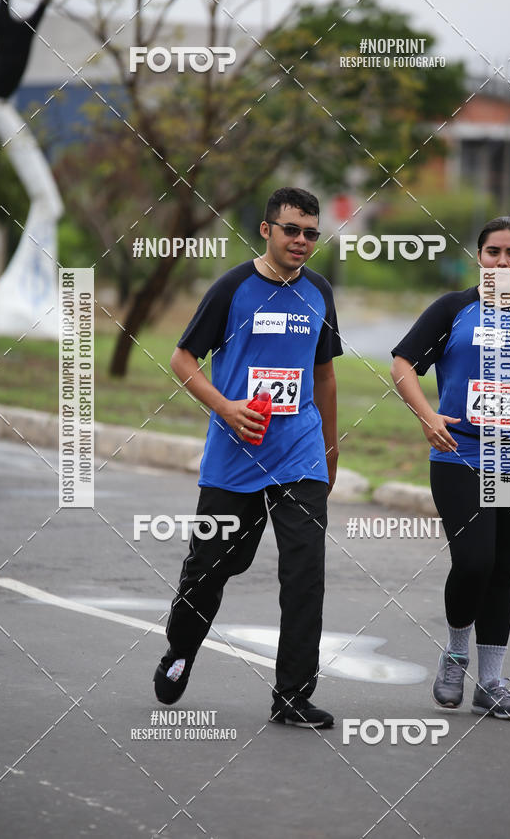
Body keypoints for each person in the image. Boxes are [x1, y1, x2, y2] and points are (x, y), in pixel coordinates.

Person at [154, 187, 342, 728]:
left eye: (311, 232)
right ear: (266, 230)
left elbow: (325, 374)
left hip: (299, 454)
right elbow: (182, 358)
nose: (302, 241)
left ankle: (292, 696)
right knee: (213, 567)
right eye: (292, 230)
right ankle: (181, 650)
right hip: (235, 457)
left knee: (305, 573)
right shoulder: (234, 288)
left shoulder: (320, 293)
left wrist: (330, 447)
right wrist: (226, 408)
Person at [391, 216, 510, 721]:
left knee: (502, 571)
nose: (502, 261)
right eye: (493, 252)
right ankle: (456, 654)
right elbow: (402, 364)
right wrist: (427, 414)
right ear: (478, 257)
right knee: (474, 561)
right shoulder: (453, 309)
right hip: (462, 455)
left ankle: (493, 681)